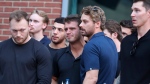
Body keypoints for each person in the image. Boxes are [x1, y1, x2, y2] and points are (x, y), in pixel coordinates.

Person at [0, 10, 52, 84]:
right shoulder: (1, 48)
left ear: (29, 27)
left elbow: (44, 81)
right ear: (10, 28)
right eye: (14, 30)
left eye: (22, 30)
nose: (18, 34)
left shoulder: (41, 50)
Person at [80, 6, 118, 84]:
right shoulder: (111, 42)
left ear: (97, 24)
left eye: (85, 21)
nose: (80, 25)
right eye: (81, 21)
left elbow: (91, 78)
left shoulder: (91, 45)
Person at [120, 0, 150, 84]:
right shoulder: (126, 41)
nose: (132, 14)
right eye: (132, 10)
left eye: (137, 10)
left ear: (149, 13)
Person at [52, 14, 86, 84]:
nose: (67, 32)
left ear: (81, 29)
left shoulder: (91, 53)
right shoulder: (59, 54)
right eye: (66, 29)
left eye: (72, 29)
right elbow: (53, 79)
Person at [103, 19, 122, 84]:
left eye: (104, 35)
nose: (101, 39)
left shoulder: (126, 53)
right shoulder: (105, 52)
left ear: (115, 35)